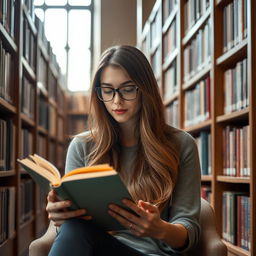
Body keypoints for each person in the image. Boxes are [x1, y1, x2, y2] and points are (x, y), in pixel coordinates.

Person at [43, 45, 201, 256]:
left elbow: (188, 229)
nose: (117, 101)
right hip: (97, 248)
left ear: (145, 89)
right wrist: (61, 217)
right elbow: (72, 232)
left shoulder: (182, 144)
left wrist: (161, 229)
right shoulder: (82, 146)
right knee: (74, 227)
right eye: (108, 91)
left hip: (152, 254)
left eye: (127, 89)